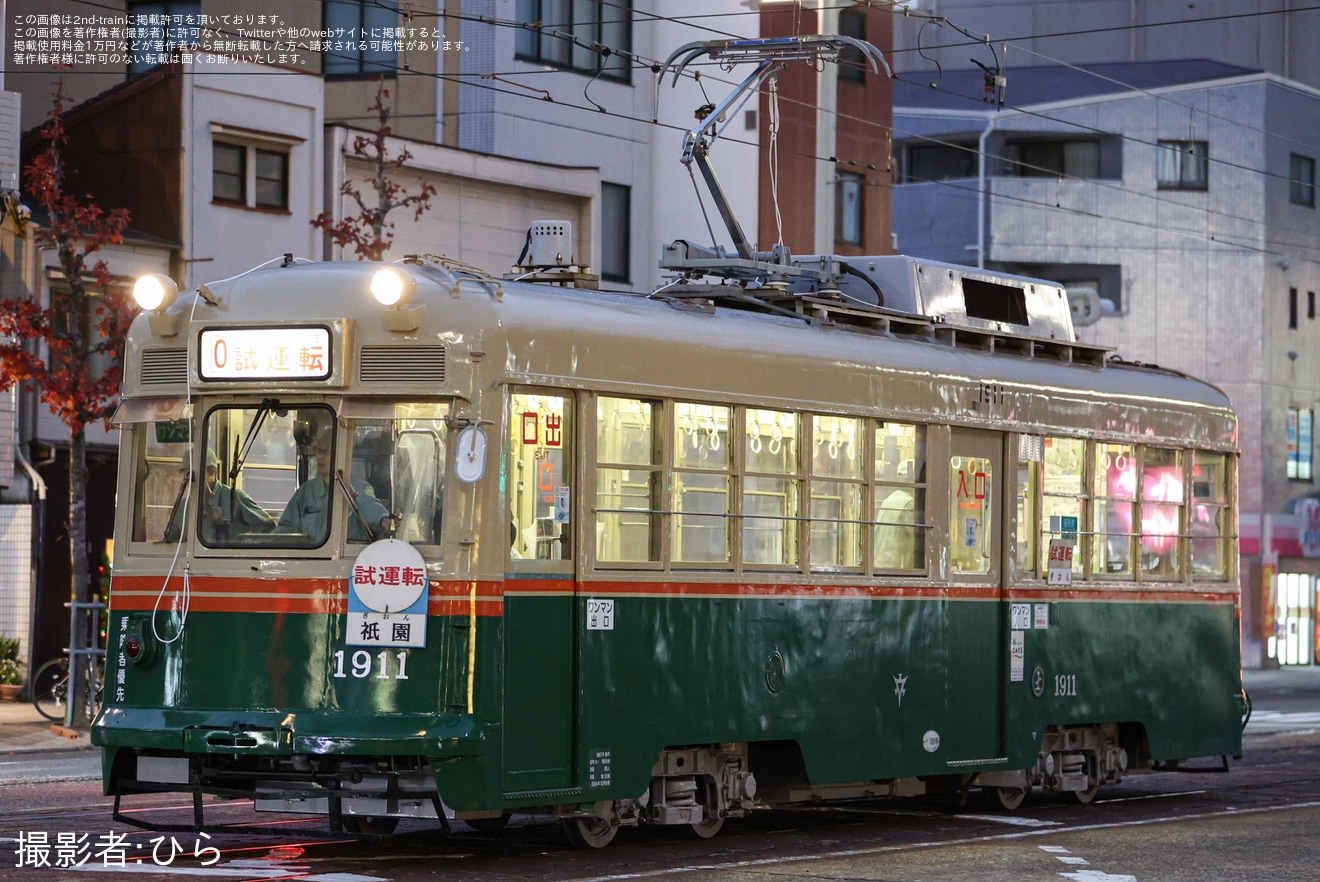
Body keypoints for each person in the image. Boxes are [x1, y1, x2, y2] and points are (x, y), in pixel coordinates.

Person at [277, 435, 391, 542]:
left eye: (325, 452)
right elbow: (288, 527)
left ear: (339, 454)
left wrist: (383, 520)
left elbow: (369, 506)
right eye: (318, 451)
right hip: (312, 556)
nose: (320, 457)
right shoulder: (307, 491)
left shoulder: (358, 487)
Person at [200, 449, 277, 543]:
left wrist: (245, 547)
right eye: (184, 473)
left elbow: (268, 527)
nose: (188, 479)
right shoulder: (185, 505)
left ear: (212, 471)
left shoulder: (234, 498)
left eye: (192, 473)